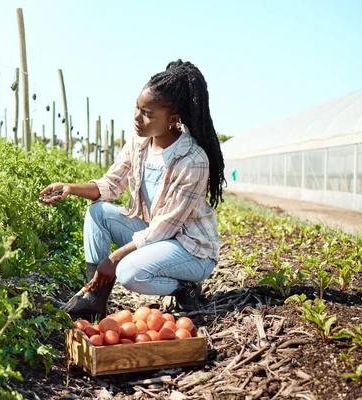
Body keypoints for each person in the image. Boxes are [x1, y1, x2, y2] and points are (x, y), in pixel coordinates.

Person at [39, 60, 226, 320]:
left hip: (190, 249)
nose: (137, 118)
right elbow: (111, 185)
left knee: (128, 272)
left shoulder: (192, 160)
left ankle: (185, 287)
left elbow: (166, 226)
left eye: (148, 113)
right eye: (137, 108)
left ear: (173, 119)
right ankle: (95, 301)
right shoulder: (139, 144)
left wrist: (114, 259)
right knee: (98, 213)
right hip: (156, 237)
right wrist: (71, 188)